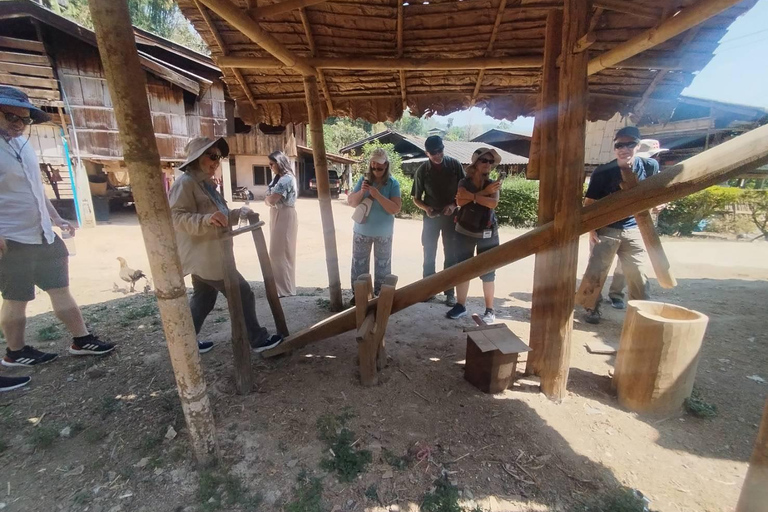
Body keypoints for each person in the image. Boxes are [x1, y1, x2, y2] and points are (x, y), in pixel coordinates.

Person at [0, 86, 115, 389]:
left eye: (24, 120)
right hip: (11, 238)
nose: (18, 125)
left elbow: (36, 190)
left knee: (60, 287)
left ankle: (81, 339)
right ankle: (15, 351)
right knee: (16, 297)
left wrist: (56, 218)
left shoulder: (22, 146)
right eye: (11, 117)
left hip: (43, 235)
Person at [169, 137, 282, 353]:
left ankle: (185, 345)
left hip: (208, 255)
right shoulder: (186, 183)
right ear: (196, 158)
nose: (216, 161)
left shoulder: (206, 184)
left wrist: (239, 213)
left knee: (204, 298)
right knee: (243, 293)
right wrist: (205, 220)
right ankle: (257, 339)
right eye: (211, 156)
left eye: (218, 157)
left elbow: (218, 215)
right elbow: (175, 218)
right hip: (207, 258)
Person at [581, 126, 659, 324]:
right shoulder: (603, 172)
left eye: (630, 144)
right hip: (606, 228)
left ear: (638, 145)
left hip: (634, 228)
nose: (624, 148)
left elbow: (657, 193)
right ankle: (591, 308)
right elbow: (590, 204)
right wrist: (591, 230)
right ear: (614, 148)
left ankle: (642, 314)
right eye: (619, 145)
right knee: (596, 271)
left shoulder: (650, 166)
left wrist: (660, 204)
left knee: (638, 273)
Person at [599, 138, 668, 310]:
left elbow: (661, 193)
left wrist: (662, 203)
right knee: (601, 267)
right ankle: (598, 301)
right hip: (611, 225)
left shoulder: (651, 171)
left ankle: (618, 295)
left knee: (631, 265)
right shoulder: (613, 172)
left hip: (638, 225)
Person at [446, 148, 502, 324]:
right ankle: (461, 305)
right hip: (465, 232)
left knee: (488, 272)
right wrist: (482, 194)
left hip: (488, 233)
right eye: (484, 160)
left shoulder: (493, 183)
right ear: (475, 164)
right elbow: (460, 201)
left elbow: (493, 203)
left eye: (490, 161)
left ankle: (489, 310)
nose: (487, 164)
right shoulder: (464, 181)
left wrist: (473, 197)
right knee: (463, 270)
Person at [411, 135, 464, 306]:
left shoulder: (455, 165)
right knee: (429, 254)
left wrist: (454, 205)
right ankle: (428, 290)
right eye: (433, 153)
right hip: (431, 217)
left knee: (451, 255)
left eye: (440, 151)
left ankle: (449, 292)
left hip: (451, 218)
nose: (437, 155)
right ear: (427, 153)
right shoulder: (422, 170)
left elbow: (464, 192)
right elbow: (416, 198)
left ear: (443, 148)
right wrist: (426, 208)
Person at [347, 148, 402, 302]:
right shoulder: (363, 180)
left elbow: (395, 209)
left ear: (386, 166)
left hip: (383, 233)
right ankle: (359, 296)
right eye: (373, 167)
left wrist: (377, 196)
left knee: (383, 268)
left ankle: (381, 298)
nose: (376, 170)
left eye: (379, 167)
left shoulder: (393, 183)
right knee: (359, 266)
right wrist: (361, 192)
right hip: (362, 230)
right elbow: (351, 203)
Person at [265, 151, 298, 297]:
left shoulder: (286, 180)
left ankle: (283, 288)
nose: (270, 167)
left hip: (284, 214)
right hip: (279, 213)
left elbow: (271, 200)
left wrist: (267, 200)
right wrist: (268, 199)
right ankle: (284, 286)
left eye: (272, 164)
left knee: (278, 252)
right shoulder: (280, 178)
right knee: (282, 251)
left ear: (279, 163)